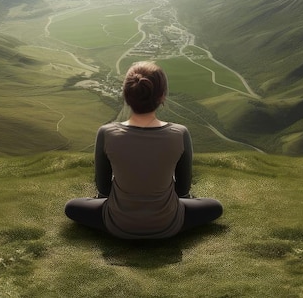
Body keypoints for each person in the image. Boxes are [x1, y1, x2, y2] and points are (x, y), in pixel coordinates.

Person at [64, 61, 223, 239]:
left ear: (125, 94)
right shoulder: (180, 133)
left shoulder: (106, 132)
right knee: (215, 206)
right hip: (169, 223)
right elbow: (182, 191)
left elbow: (103, 189)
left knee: (71, 207)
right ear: (162, 96)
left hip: (118, 223)